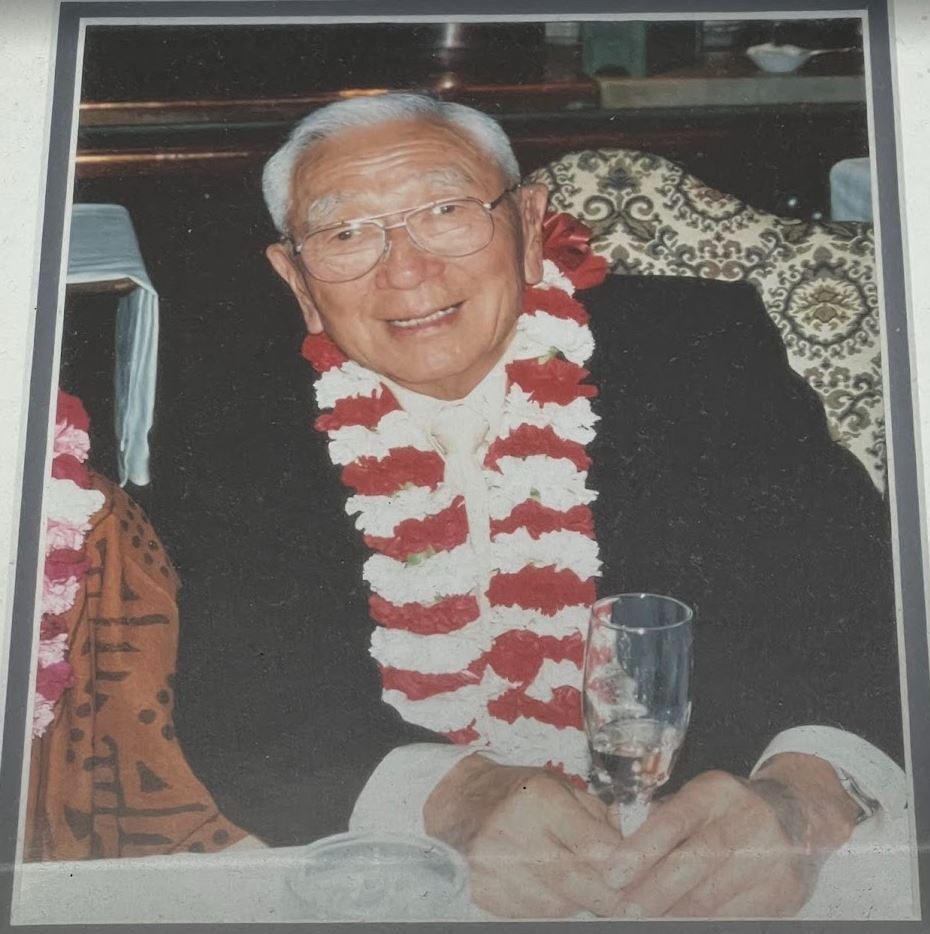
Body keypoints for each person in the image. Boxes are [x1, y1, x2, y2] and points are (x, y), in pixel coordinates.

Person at [242, 92, 901, 918]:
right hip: (411, 880)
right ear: (295, 278)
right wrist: (451, 796)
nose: (405, 269)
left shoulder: (700, 348)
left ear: (527, 221)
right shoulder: (233, 419)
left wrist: (805, 798)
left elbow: (870, 593)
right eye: (344, 234)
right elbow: (233, 683)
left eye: (445, 211)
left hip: (716, 879)